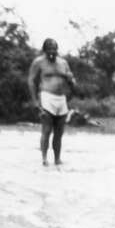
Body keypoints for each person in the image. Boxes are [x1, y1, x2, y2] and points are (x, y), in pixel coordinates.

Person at [28, 38, 77, 167]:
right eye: (49, 49)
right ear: (44, 50)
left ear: (57, 50)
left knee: (59, 132)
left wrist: (72, 82)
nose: (52, 52)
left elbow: (71, 81)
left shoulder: (63, 63)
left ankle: (57, 159)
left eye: (54, 49)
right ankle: (44, 158)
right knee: (47, 129)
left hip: (61, 98)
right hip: (46, 97)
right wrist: (34, 100)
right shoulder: (38, 62)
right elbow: (31, 81)